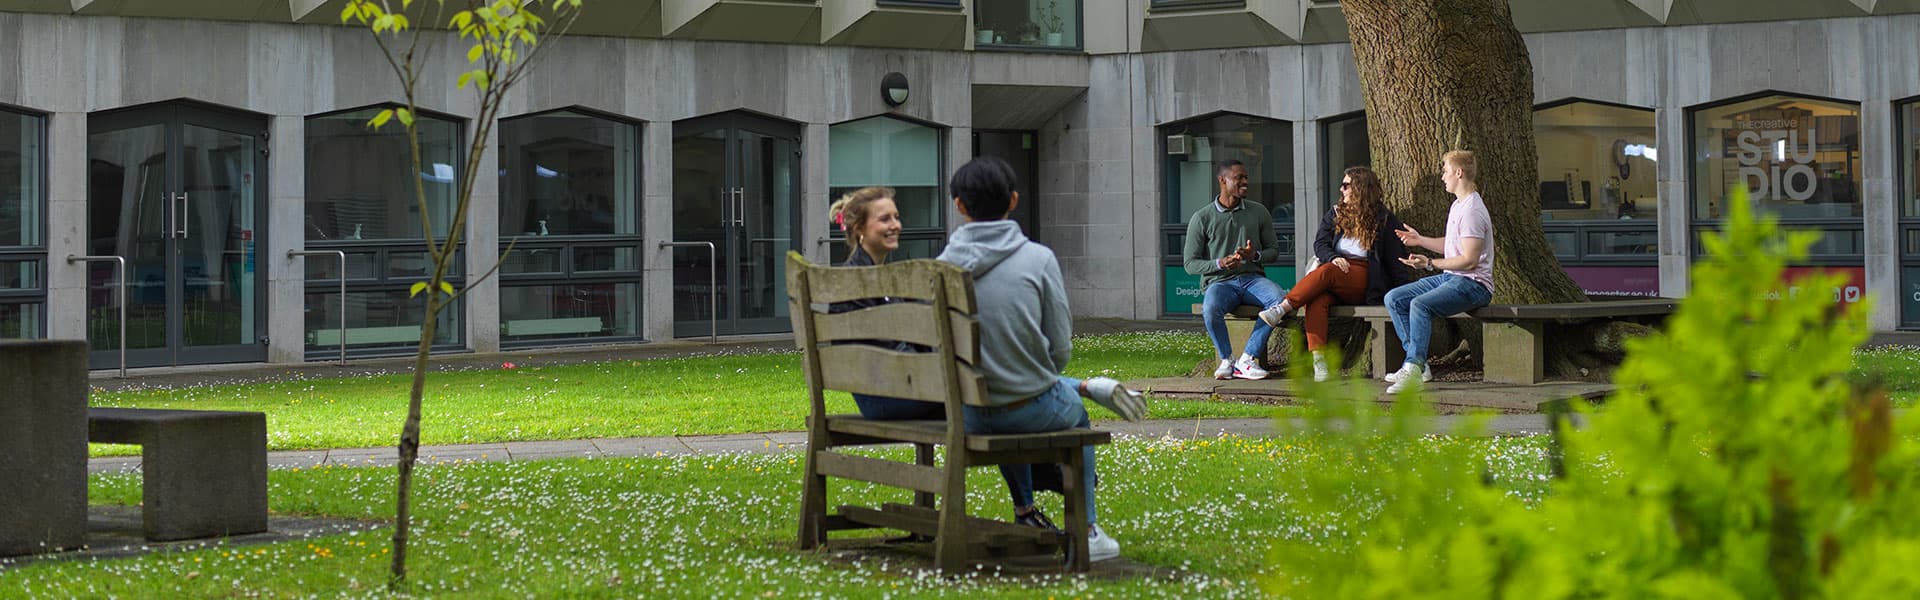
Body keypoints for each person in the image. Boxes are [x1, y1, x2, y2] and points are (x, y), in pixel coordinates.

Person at [937, 156, 1143, 562]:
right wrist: (1041, 375)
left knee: (1003, 390)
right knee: (1075, 417)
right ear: (1013, 200)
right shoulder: (1039, 259)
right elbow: (1060, 350)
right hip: (1026, 407)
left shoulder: (939, 269)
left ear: (959, 205)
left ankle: (1024, 511)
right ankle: (1087, 530)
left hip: (965, 412)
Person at [1257, 166, 1411, 381]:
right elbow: (1320, 243)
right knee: (1317, 300)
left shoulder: (1383, 219)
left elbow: (1396, 260)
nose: (1342, 189)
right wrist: (1332, 256)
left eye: (1346, 185)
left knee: (1328, 271)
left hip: (1364, 276)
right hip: (1335, 272)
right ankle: (1320, 362)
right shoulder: (1336, 212)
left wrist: (1402, 292)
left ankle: (1283, 307)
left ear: (1360, 188)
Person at [1382, 150, 1496, 393]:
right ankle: (1419, 366)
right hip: (1452, 278)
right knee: (1394, 298)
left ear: (1459, 172)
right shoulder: (1458, 205)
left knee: (1420, 305)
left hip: (1474, 285)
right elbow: (1453, 245)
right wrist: (1420, 240)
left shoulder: (1472, 210)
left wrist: (1430, 264)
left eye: (1445, 171)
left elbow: (1469, 260)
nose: (1442, 176)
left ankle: (1413, 366)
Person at [1185, 159, 1286, 380]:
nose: (1245, 182)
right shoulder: (1201, 218)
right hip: (1220, 283)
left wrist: (1255, 255)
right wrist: (1219, 264)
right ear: (1222, 180)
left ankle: (1247, 359)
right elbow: (1190, 264)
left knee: (1279, 300)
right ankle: (1226, 359)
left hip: (1252, 279)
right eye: (1239, 178)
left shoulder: (1259, 212)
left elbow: (1274, 251)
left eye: (1246, 177)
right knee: (1210, 308)